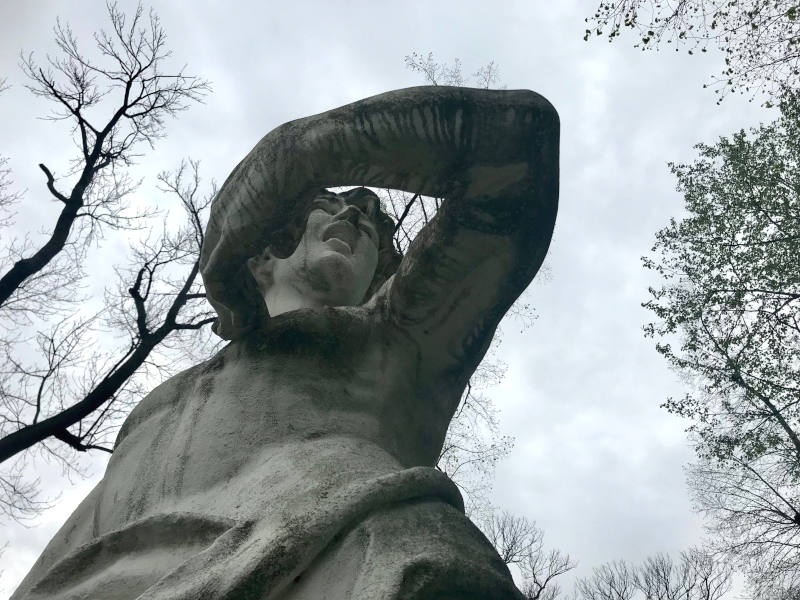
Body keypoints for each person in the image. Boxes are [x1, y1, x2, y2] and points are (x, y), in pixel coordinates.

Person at [12, 86, 559, 600]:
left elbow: (519, 150)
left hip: (349, 559)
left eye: (371, 224)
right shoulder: (158, 406)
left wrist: (307, 151)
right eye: (326, 204)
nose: (353, 214)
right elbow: (65, 560)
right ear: (261, 253)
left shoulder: (397, 338)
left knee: (427, 552)